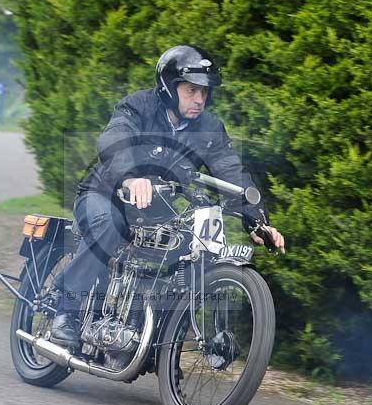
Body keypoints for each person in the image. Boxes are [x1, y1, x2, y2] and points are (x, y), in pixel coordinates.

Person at [48, 44, 286, 347]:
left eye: (204, 92)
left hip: (155, 208)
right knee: (109, 227)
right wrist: (132, 177)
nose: (199, 99)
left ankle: (161, 347)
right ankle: (65, 311)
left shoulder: (210, 127)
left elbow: (231, 171)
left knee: (191, 250)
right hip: (105, 194)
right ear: (168, 87)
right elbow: (114, 137)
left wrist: (257, 221)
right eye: (191, 91)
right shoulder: (139, 106)